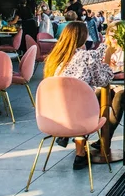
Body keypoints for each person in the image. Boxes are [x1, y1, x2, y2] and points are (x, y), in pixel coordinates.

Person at [43, 21, 113, 169]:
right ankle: (82, 152)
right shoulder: (86, 57)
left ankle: (68, 139)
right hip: (80, 116)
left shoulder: (53, 58)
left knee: (77, 101)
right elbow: (103, 80)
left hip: (54, 116)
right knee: (103, 97)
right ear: (83, 37)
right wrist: (107, 60)